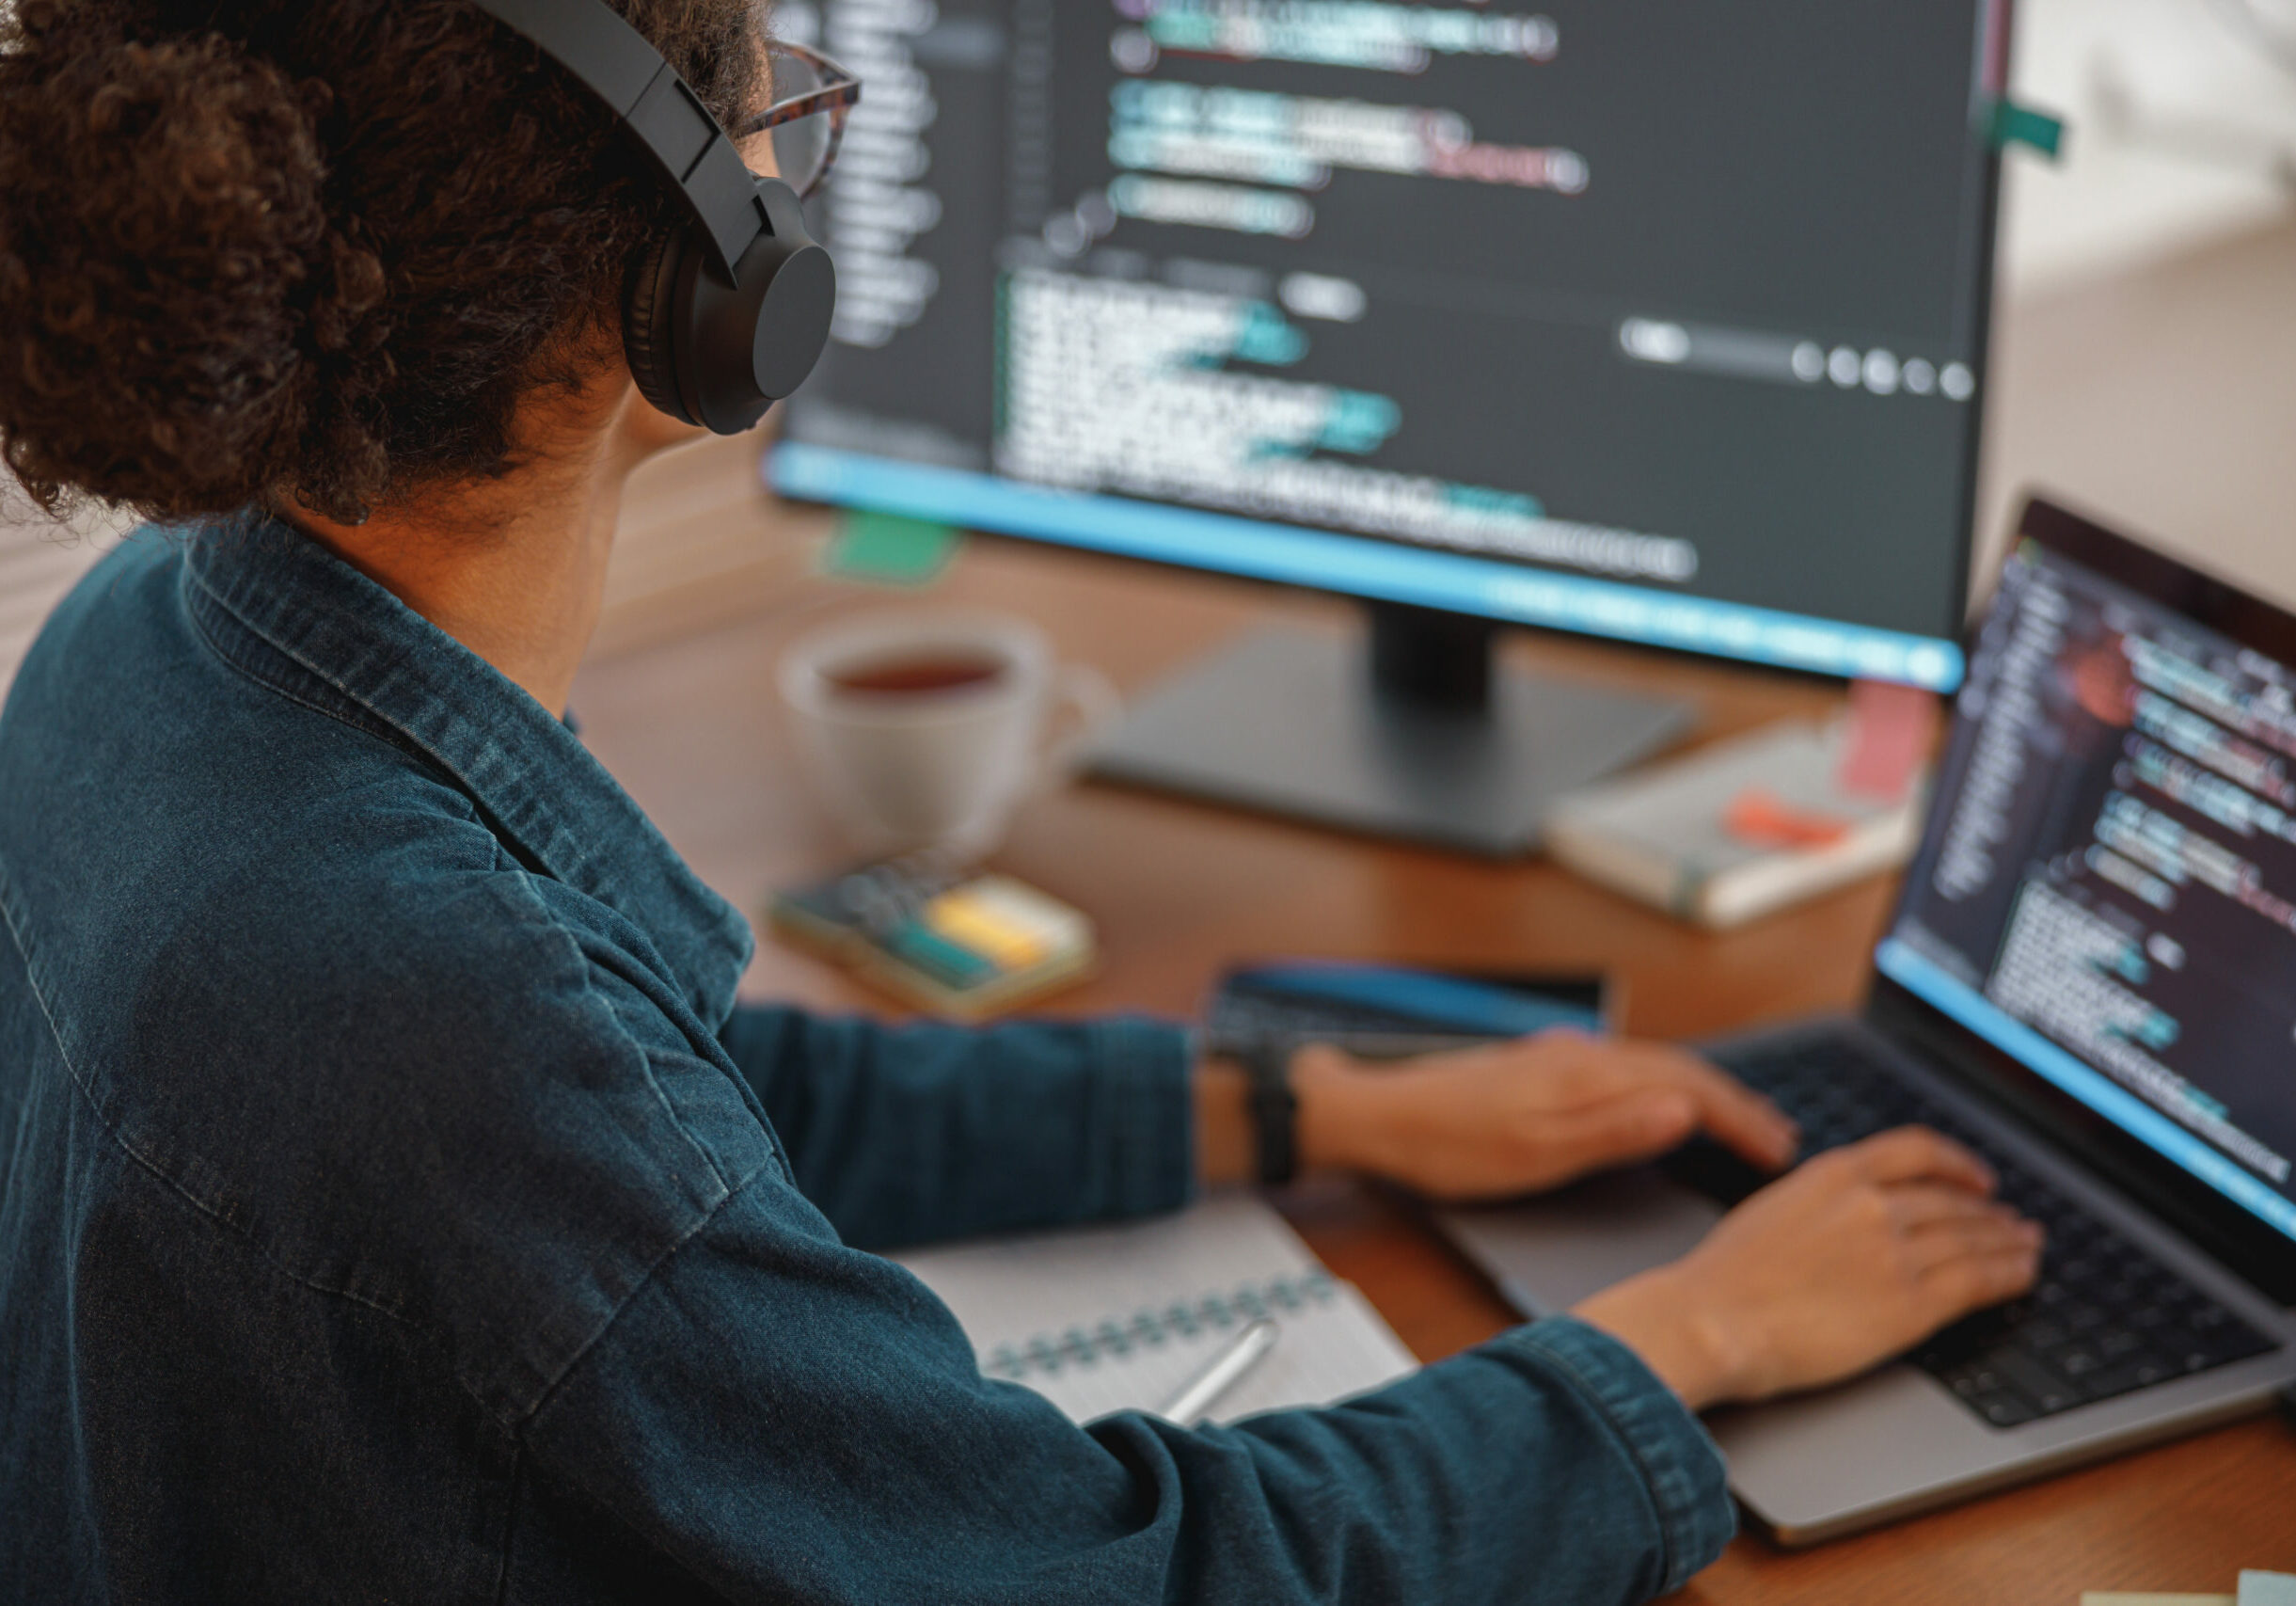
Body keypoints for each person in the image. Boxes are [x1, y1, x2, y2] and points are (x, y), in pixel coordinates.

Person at [0, 3, 2044, 1601]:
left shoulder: (150, 643)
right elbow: (1125, 1577)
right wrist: (1689, 1333)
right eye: (773, 124)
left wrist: (1303, 1105)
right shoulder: (437, 1004)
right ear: (695, 291)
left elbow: (661, 1119)